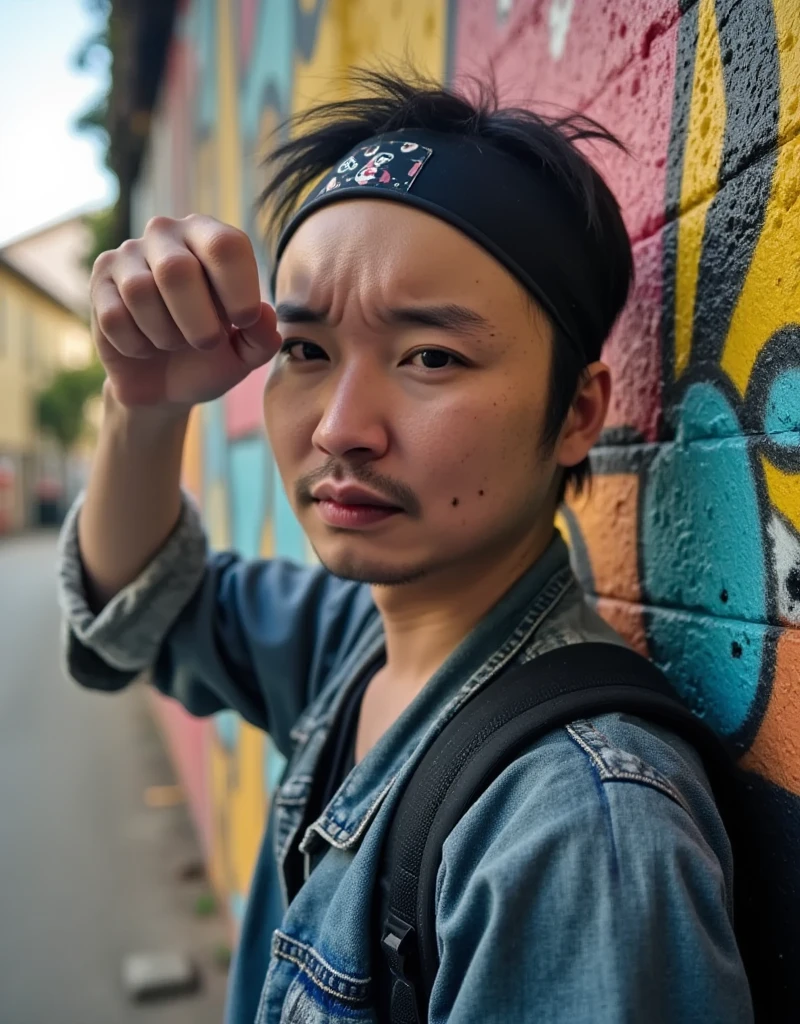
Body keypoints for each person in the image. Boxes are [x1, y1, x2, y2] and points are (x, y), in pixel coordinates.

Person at [57, 70, 752, 1023]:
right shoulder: (356, 640)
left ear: (577, 413)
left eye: (431, 356)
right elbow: (135, 615)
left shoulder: (576, 833)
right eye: (306, 351)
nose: (341, 428)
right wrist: (144, 404)